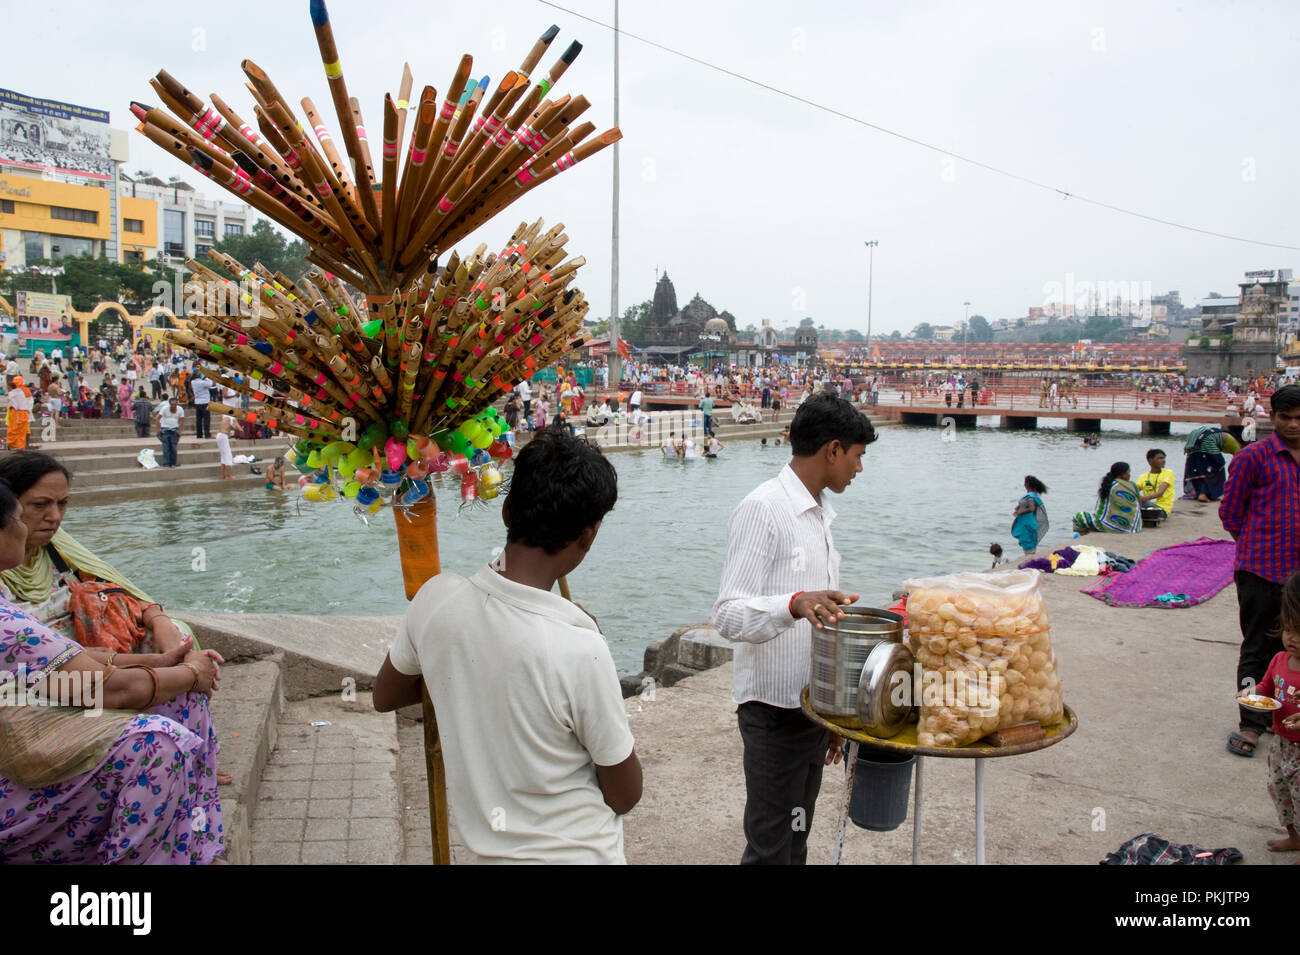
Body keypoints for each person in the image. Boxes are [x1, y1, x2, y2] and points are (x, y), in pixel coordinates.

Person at [372, 427, 640, 863]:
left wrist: (459, 672)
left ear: (507, 512)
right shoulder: (580, 648)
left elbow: (386, 695)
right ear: (588, 537)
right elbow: (625, 794)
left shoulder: (436, 599)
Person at [0, 480, 226, 864]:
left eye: (62, 504)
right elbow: (109, 690)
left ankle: (192, 840)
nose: (49, 519)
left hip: (34, 709)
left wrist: (158, 663)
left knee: (178, 696)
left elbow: (70, 665)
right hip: (13, 790)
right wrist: (192, 673)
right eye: (25, 514)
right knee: (158, 743)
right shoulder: (8, 622)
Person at [713, 392, 875, 864]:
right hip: (771, 713)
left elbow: (823, 622)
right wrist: (793, 604)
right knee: (769, 845)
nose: (858, 469)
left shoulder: (820, 513)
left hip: (810, 708)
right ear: (832, 450)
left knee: (797, 836)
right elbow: (728, 615)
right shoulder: (763, 509)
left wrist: (834, 711)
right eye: (857, 456)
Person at [0, 451, 194, 654]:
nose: (55, 517)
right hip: (42, 668)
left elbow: (112, 589)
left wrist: (159, 620)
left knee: (178, 634)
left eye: (63, 503)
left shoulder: (58, 549)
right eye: (40, 505)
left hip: (89, 655)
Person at [1220, 385, 1300, 758]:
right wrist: (1254, 543)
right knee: (1257, 647)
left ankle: (1287, 718)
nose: (1293, 425)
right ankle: (1252, 721)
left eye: (1299, 418)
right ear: (1272, 416)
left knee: (1294, 650)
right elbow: (1230, 514)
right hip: (1260, 568)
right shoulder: (1253, 457)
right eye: (1285, 417)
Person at [1072, 462, 1142, 534]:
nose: (1129, 475)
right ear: (1123, 474)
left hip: (1107, 524)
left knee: (1079, 517)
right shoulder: (1132, 486)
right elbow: (1139, 503)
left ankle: (1083, 536)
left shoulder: (1108, 484)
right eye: (1128, 473)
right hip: (1132, 526)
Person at [1183, 425, 1240, 502]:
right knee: (1217, 467)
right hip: (1207, 441)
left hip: (1192, 442)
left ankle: (1196, 492)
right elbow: (1239, 461)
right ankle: (1204, 494)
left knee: (1198, 470)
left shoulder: (1217, 434)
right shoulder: (1235, 444)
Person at [1011, 476, 1049, 555]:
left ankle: (1030, 558)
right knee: (1027, 541)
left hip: (1028, 523)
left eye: (1025, 482)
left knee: (1028, 542)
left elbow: (1032, 508)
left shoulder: (1031, 496)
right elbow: (1026, 506)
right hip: (1025, 522)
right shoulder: (1030, 495)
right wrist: (1018, 508)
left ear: (1027, 484)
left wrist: (1020, 512)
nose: (1024, 484)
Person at [1135, 448, 1176, 523]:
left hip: (1161, 510)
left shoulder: (1168, 473)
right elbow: (1134, 490)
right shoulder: (1143, 476)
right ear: (1150, 461)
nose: (1163, 460)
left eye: (1163, 458)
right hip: (1146, 508)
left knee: (1138, 501)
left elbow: (1160, 492)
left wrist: (1142, 498)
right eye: (1160, 458)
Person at [154, 395, 184, 468]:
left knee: (173, 448)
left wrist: (180, 431)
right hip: (165, 430)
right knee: (166, 448)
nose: (173, 406)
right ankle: (166, 463)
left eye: (175, 404)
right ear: (169, 404)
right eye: (172, 404)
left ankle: (173, 463)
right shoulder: (164, 408)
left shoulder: (180, 409)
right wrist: (158, 429)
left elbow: (182, 421)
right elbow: (157, 418)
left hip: (174, 430)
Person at [5, 375, 32, 450]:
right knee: (22, 431)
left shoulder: (13, 393)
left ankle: (13, 445)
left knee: (14, 430)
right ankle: (20, 445)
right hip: (25, 412)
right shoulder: (24, 391)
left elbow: (14, 405)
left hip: (16, 413)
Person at [190, 367, 213, 439]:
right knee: (206, 419)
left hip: (197, 402)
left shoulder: (193, 382)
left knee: (198, 419)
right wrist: (206, 377)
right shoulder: (202, 382)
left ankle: (199, 434)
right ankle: (207, 434)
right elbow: (210, 384)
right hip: (205, 401)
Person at [215, 414, 234, 479]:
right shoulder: (232, 417)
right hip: (223, 436)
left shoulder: (224, 416)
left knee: (223, 456)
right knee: (228, 456)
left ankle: (223, 475)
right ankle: (228, 475)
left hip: (219, 435)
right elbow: (238, 428)